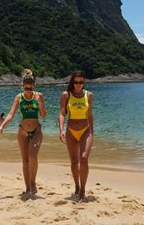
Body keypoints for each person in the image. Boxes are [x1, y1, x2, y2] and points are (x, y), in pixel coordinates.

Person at [0, 69, 46, 196]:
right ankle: (28, 188)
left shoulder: (39, 96)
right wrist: (2, 126)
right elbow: (11, 114)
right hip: (22, 131)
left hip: (36, 131)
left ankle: (33, 183)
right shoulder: (19, 97)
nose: (28, 90)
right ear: (23, 87)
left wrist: (40, 103)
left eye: (30, 88)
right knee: (25, 161)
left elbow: (43, 115)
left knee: (33, 156)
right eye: (26, 88)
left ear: (34, 86)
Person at [59, 70, 94, 202]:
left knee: (84, 158)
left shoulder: (89, 95)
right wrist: (61, 129)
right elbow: (62, 113)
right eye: (76, 82)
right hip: (71, 131)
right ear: (72, 82)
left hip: (86, 130)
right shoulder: (66, 95)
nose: (78, 84)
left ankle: (83, 192)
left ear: (84, 82)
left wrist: (92, 132)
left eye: (81, 82)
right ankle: (77, 186)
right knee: (74, 162)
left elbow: (89, 114)